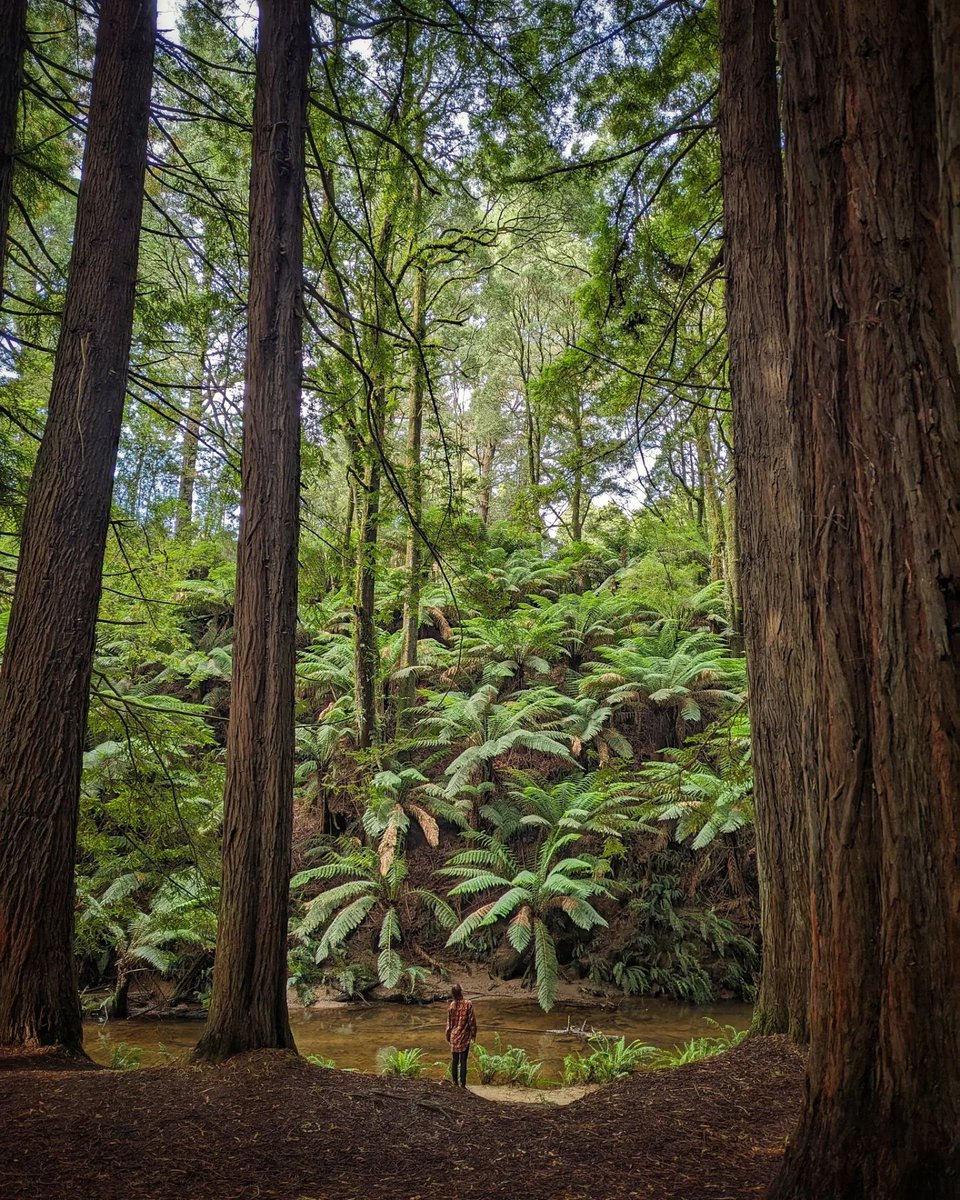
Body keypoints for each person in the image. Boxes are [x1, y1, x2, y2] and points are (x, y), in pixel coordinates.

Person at [444, 982, 477, 1087]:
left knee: (454, 1061)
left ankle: (455, 1083)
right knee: (463, 1061)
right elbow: (472, 1021)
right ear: (461, 992)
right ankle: (463, 1085)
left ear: (453, 994)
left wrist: (448, 1036)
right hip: (464, 1036)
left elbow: (449, 1024)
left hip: (454, 1036)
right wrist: (473, 1034)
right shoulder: (468, 1004)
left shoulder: (451, 1006)